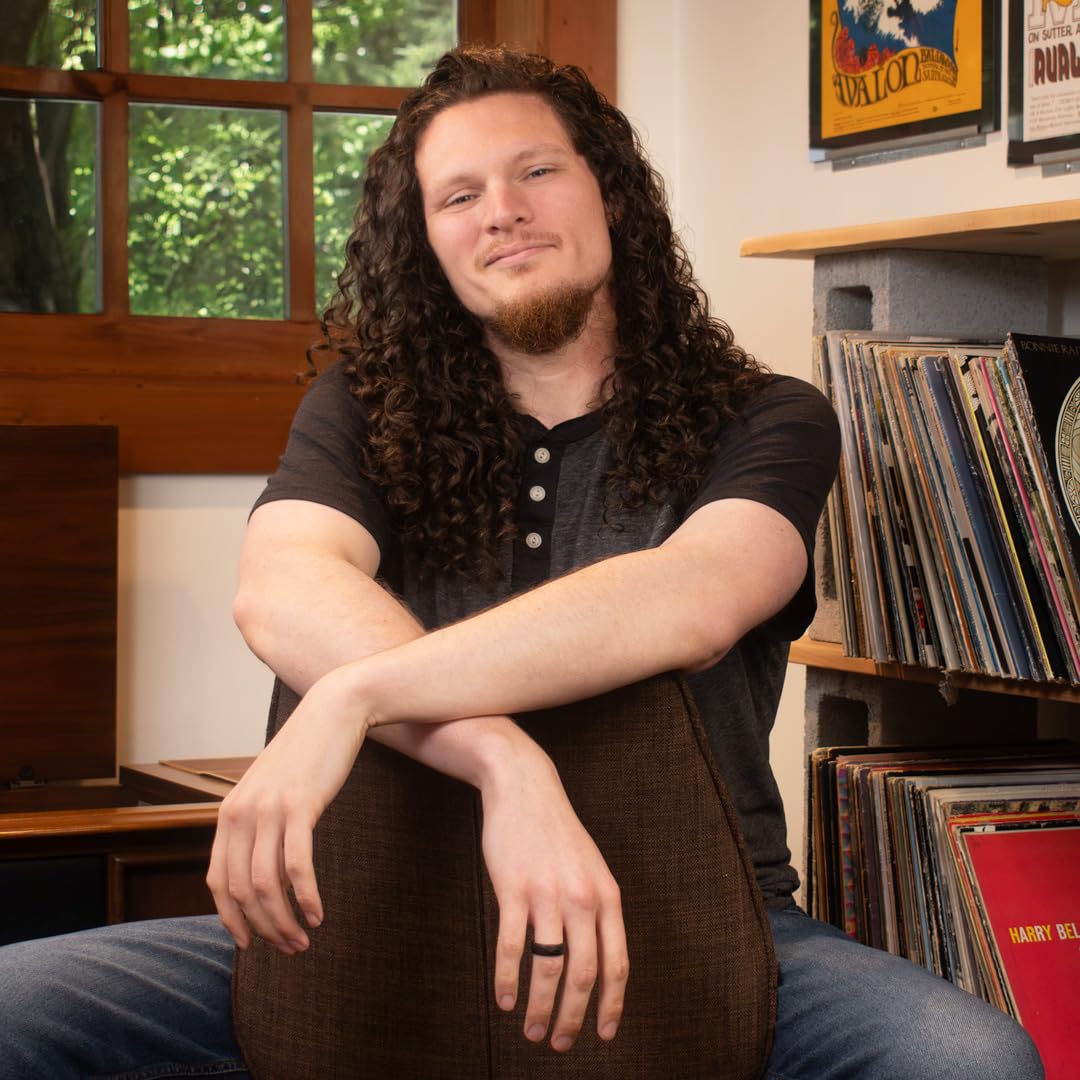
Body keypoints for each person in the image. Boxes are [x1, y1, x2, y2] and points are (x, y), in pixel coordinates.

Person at [0, 44, 1043, 1080]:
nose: (501, 211)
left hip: (707, 923)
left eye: (536, 170)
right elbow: (282, 585)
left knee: (971, 1061)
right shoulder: (360, 409)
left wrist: (352, 696)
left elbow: (691, 599)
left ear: (613, 197)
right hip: (370, 925)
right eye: (459, 196)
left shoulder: (769, 417)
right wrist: (507, 764)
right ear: (428, 244)